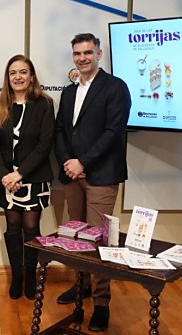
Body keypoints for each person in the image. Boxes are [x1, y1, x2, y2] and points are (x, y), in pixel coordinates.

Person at [54, 33, 131, 332]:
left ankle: (101, 303)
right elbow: (61, 131)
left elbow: (113, 132)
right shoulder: (69, 92)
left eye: (88, 52)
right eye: (77, 53)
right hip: (72, 177)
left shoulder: (115, 87)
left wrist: (83, 162)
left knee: (99, 241)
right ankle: (81, 286)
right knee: (77, 237)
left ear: (99, 54)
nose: (82, 58)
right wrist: (68, 163)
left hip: (101, 176)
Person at [0, 55, 55, 300]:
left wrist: (20, 173)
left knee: (31, 227)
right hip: (8, 180)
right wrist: (4, 176)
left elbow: (45, 144)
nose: (18, 77)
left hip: (34, 178)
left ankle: (31, 276)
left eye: (23, 72)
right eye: (13, 73)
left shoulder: (44, 104)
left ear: (31, 76)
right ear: (7, 77)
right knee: (13, 228)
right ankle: (17, 276)